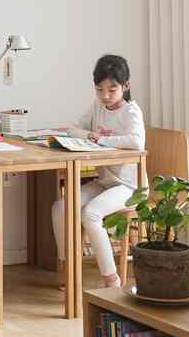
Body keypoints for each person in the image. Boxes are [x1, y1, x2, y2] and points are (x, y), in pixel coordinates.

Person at [51, 54, 145, 288]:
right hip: (105, 182)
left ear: (126, 86)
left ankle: (111, 279)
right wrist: (90, 135)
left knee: (90, 213)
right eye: (99, 89)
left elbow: (136, 142)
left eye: (112, 90)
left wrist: (101, 139)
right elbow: (74, 129)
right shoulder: (97, 106)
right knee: (61, 207)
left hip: (130, 187)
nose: (105, 96)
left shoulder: (131, 111)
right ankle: (67, 267)